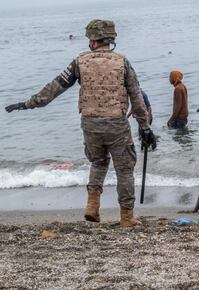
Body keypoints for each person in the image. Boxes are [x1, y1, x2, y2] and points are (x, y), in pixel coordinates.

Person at [4, 19, 157, 227]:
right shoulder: (123, 62)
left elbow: (55, 87)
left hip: (90, 124)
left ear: (93, 40)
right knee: (124, 169)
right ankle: (127, 216)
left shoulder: (79, 62)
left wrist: (28, 103)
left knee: (98, 162)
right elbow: (136, 97)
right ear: (110, 40)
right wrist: (145, 127)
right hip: (116, 124)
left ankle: (92, 206)